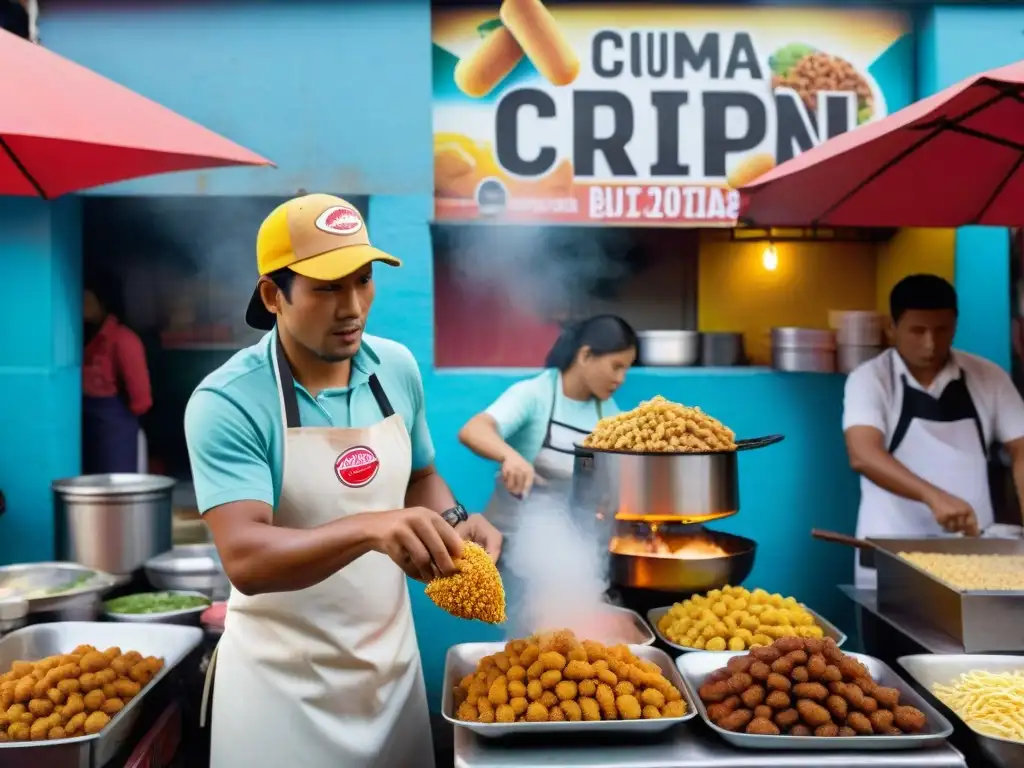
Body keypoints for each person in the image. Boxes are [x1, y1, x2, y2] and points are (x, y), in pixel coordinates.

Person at [185, 194, 502, 768]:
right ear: (272, 295)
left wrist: (455, 523)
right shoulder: (228, 402)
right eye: (326, 287)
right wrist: (371, 529)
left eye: (362, 281)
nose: (352, 307)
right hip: (281, 693)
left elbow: (421, 477)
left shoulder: (395, 368)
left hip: (391, 671)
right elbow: (247, 559)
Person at [843, 274, 1024, 589]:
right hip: (890, 555)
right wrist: (934, 497)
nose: (931, 343)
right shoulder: (870, 379)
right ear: (893, 327)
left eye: (942, 330)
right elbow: (864, 455)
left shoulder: (988, 377)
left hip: (974, 560)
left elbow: (1021, 448)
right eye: (918, 331)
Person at [458, 315, 636, 592]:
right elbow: (474, 429)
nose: (621, 379)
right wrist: (511, 457)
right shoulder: (534, 394)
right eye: (616, 366)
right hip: (518, 547)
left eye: (626, 369)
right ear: (586, 355)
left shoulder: (608, 411)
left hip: (575, 551)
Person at [82, 271, 152, 474]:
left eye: (88, 299)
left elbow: (141, 401)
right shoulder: (79, 337)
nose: (82, 305)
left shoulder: (123, 340)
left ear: (103, 301)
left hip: (116, 437)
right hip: (86, 434)